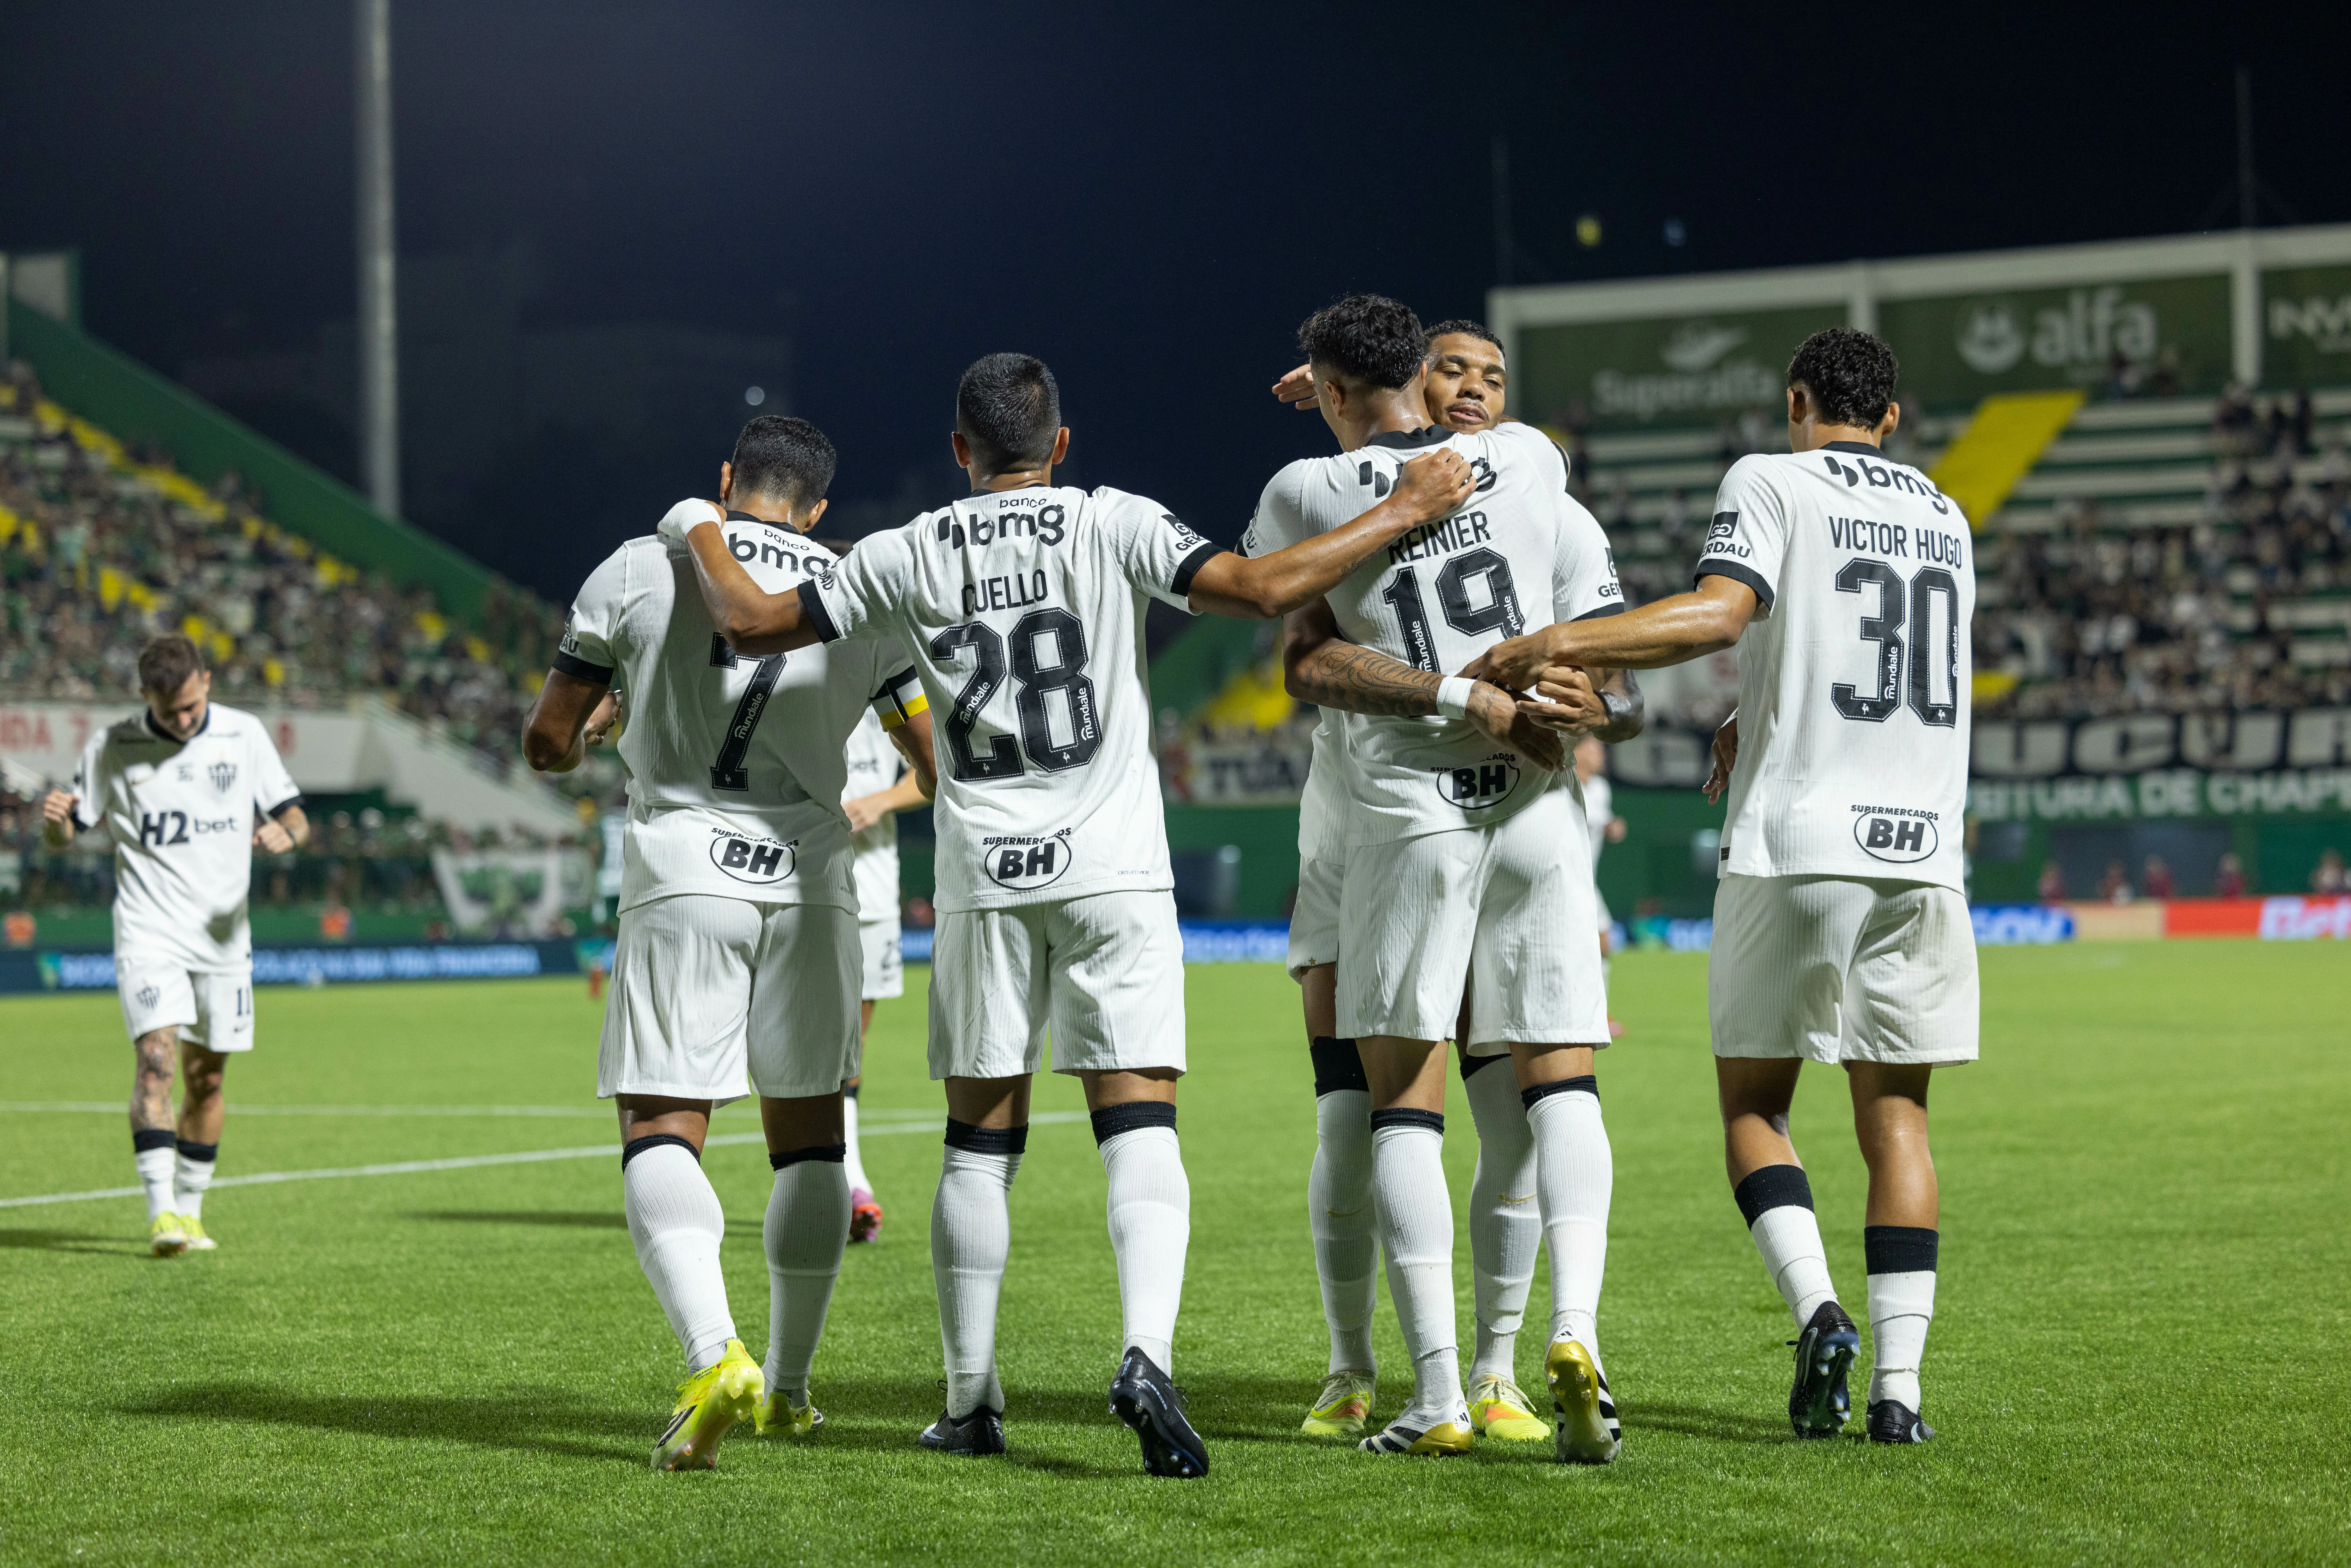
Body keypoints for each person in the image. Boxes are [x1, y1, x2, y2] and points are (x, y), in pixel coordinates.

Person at [659, 350, 1476, 1477]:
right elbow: (1264, 588)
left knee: (973, 1147)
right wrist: (1405, 505)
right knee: (1138, 1131)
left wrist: (699, 520)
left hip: (984, 873)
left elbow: (750, 622)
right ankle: (1145, 1353)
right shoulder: (1109, 520)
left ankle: (968, 1398)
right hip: (1114, 869)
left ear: (959, 451)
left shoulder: (903, 551)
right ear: (1058, 444)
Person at [1475, 325, 1977, 1445]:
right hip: (1922, 857)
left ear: (1797, 400)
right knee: (1895, 1119)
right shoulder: (1944, 514)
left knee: (1755, 1108)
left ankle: (1818, 1313)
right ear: (1891, 419)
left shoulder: (1770, 477)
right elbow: (1882, 660)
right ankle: (1897, 1396)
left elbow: (1716, 614)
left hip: (1799, 843)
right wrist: (1754, 708)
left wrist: (1557, 639)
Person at [1250, 296, 1638, 1461]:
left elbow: (1304, 657)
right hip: (1531, 804)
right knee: (1555, 1086)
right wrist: (1560, 704)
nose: (1474, 388)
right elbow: (1603, 664)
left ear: (1325, 390)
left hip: (1405, 815)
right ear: (1424, 374)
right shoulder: (1527, 460)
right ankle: (1571, 1334)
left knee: (1393, 1106)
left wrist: (1334, 416)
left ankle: (1431, 1392)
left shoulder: (1299, 493)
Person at [521, 414, 938, 1471]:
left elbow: (547, 741)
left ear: (725, 479)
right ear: (818, 506)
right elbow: (931, 751)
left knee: (664, 1121)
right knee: (809, 1138)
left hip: (682, 866)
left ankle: (717, 1357)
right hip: (813, 879)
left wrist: (610, 722)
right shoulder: (862, 591)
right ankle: (790, 1390)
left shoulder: (637, 565)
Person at [40, 633, 309, 1256]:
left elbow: (296, 814)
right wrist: (56, 824)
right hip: (148, 929)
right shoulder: (112, 744)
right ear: (146, 699)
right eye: (170, 712)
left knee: (207, 1080)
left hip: (224, 938)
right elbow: (70, 831)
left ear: (207, 682)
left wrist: (285, 837)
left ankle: (190, 1212)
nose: (184, 720)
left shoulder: (243, 735)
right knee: (156, 1062)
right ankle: (162, 1212)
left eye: (191, 707)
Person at [839, 705, 930, 1241]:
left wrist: (879, 801)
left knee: (850, 1045)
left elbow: (937, 768)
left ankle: (848, 1182)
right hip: (788, 877)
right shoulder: (788, 655)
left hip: (870, 888)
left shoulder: (891, 665)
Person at [1577, 734, 1630, 1037]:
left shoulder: (1599, 788)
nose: (1601, 754)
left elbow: (1603, 822)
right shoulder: (1560, 781)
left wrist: (1612, 826)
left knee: (1603, 943)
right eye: (1594, 748)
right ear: (1578, 751)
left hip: (1587, 882)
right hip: (1559, 880)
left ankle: (1599, 1013)